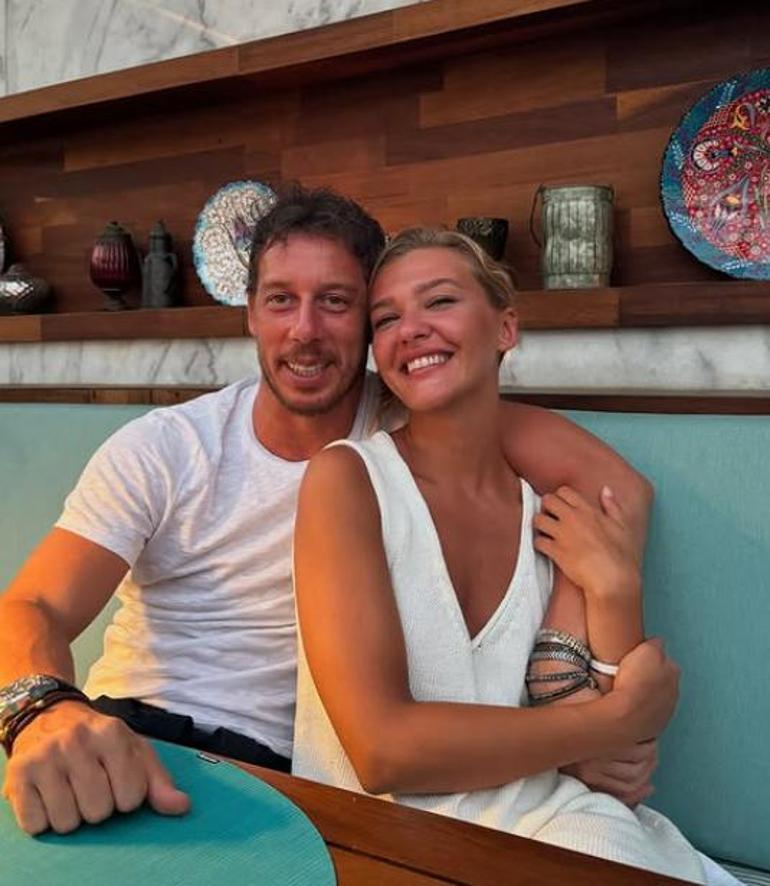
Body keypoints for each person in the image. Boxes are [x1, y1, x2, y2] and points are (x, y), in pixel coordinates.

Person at [1, 186, 655, 837]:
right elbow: (34, 604)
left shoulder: (416, 421)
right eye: (280, 300)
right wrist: (44, 711)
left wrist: (564, 677)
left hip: (285, 781)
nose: (305, 332)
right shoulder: (170, 446)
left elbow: (615, 492)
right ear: (251, 315)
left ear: (368, 322)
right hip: (135, 732)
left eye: (335, 302)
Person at [291, 228, 713, 883]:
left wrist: (614, 591)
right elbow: (380, 751)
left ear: (506, 328)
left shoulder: (554, 515)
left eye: (439, 301)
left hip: (558, 825)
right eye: (387, 319)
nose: (411, 329)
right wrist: (615, 719)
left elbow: (613, 769)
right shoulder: (347, 481)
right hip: (379, 844)